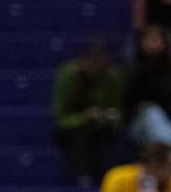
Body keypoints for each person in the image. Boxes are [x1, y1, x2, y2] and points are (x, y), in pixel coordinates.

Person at [53, 38, 127, 182]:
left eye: (101, 63)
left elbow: (121, 109)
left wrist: (113, 115)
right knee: (81, 135)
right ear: (82, 62)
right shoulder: (67, 76)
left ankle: (110, 179)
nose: (96, 68)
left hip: (103, 126)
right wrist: (84, 117)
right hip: (73, 129)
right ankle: (83, 178)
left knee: (113, 135)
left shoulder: (114, 77)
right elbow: (61, 118)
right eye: (92, 63)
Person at [124, 23, 171, 151]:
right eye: (149, 39)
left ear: (164, 43)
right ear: (141, 43)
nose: (152, 44)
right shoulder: (134, 69)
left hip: (170, 123)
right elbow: (130, 105)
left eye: (156, 39)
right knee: (152, 114)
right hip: (139, 125)